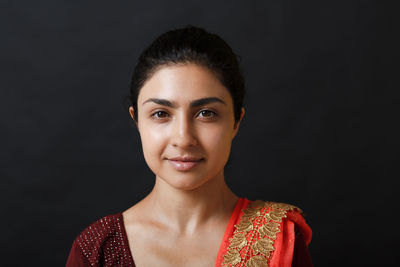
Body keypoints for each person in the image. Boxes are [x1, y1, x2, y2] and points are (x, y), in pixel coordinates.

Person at [66, 26, 312, 267]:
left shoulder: (279, 239)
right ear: (137, 120)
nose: (183, 138)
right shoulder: (99, 248)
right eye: (161, 113)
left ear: (236, 121)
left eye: (206, 113)